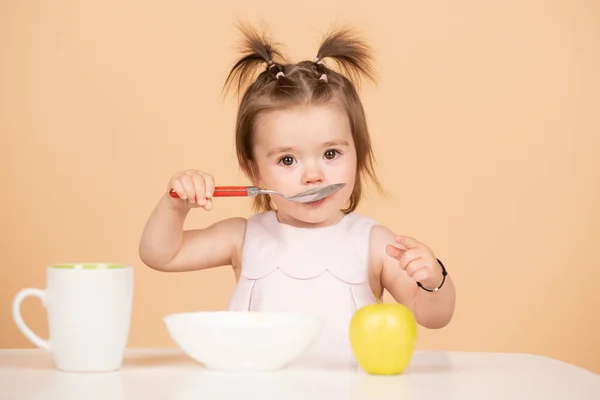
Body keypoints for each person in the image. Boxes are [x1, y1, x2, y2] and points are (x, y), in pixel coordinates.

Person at [139, 24, 456, 368]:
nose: (313, 175)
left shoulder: (375, 244)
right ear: (254, 173)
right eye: (287, 160)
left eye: (331, 154)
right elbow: (161, 255)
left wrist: (433, 279)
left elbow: (433, 316)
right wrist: (175, 206)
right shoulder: (242, 237)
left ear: (359, 155)